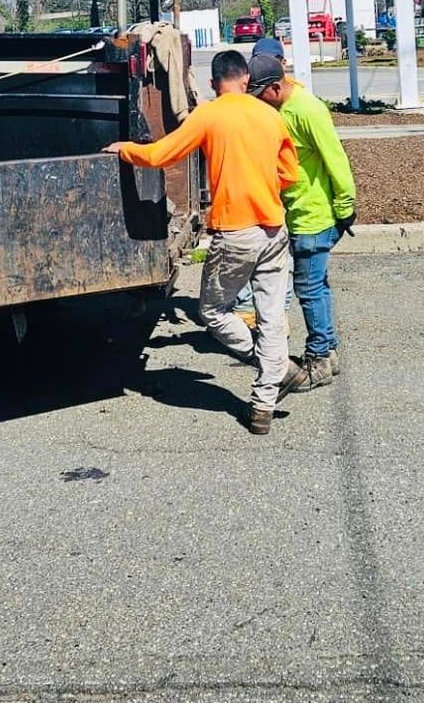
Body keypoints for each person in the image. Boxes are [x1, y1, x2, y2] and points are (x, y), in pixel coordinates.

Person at [106, 48, 299, 434]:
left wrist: (125, 150)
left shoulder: (208, 115)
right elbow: (290, 174)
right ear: (246, 79)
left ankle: (269, 367)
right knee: (273, 316)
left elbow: (161, 155)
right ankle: (264, 401)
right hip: (275, 229)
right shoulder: (269, 114)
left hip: (235, 232)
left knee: (213, 311)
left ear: (213, 83)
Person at [250, 53, 355, 392]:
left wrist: (345, 206)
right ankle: (330, 352)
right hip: (299, 215)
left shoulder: (307, 110)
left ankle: (319, 360)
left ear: (276, 87)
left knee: (307, 289)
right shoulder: (279, 109)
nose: (257, 102)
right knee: (317, 286)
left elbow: (335, 157)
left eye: (259, 94)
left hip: (314, 218)